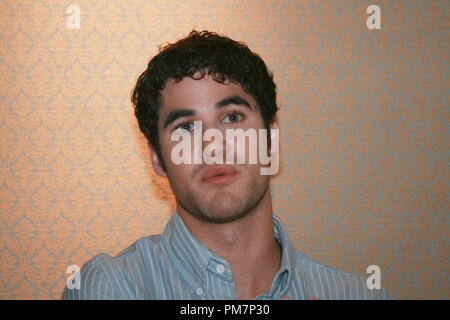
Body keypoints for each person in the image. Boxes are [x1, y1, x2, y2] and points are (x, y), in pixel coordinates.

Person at [62, 30, 391, 300]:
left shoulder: (360, 296)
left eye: (232, 118)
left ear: (270, 139)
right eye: (185, 127)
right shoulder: (106, 288)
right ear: (158, 159)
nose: (212, 144)